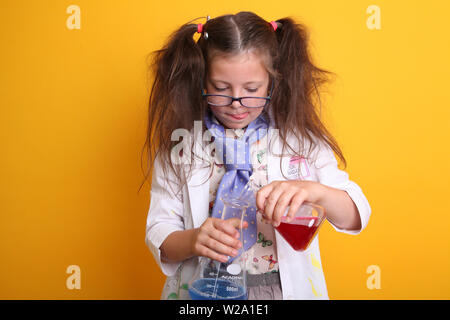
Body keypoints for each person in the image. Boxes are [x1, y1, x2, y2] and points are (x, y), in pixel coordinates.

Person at [142, 12, 371, 300]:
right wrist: (193, 240)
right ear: (201, 80)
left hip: (283, 290)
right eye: (221, 88)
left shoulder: (299, 139)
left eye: (251, 89)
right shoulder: (182, 144)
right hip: (202, 290)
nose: (236, 102)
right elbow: (159, 231)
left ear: (272, 82)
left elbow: (356, 215)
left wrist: (316, 192)